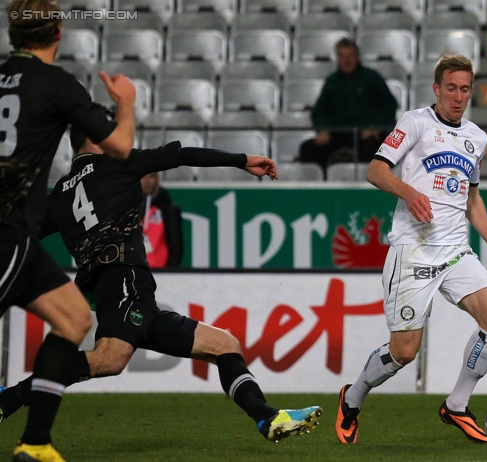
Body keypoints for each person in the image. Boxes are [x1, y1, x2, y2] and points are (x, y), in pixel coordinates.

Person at [0, 104, 323, 444]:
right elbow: (181, 154)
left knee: (223, 344)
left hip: (116, 289)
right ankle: (10, 398)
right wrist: (242, 160)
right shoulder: (120, 163)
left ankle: (267, 417)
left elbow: (19, 232)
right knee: (110, 359)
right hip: (124, 277)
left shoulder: (60, 195)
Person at [334, 54, 487, 445]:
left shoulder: (476, 138)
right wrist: (408, 191)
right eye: (450, 88)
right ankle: (352, 399)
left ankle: (456, 405)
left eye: (464, 89)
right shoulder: (416, 122)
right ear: (436, 88)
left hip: (454, 250)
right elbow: (376, 170)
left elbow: (472, 201)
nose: (457, 96)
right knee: (404, 352)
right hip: (412, 250)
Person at [0, 1, 136, 460]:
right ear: (58, 31)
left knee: (75, 317)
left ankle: (35, 443)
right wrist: (127, 104)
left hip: (18, 238)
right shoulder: (57, 84)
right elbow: (119, 145)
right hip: (5, 228)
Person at [298, 37, 398, 177]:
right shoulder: (331, 82)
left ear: (357, 57)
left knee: (377, 150)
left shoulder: (372, 78)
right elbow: (319, 112)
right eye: (342, 56)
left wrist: (376, 126)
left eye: (350, 55)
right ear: (337, 58)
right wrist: (323, 129)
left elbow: (389, 104)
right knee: (308, 149)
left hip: (366, 136)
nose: (347, 60)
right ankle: (320, 188)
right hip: (337, 134)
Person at [140, 172, 184, 268]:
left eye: (150, 177)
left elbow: (176, 248)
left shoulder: (168, 210)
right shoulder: (128, 208)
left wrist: (168, 274)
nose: (147, 181)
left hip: (160, 271)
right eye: (143, 177)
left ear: (157, 179)